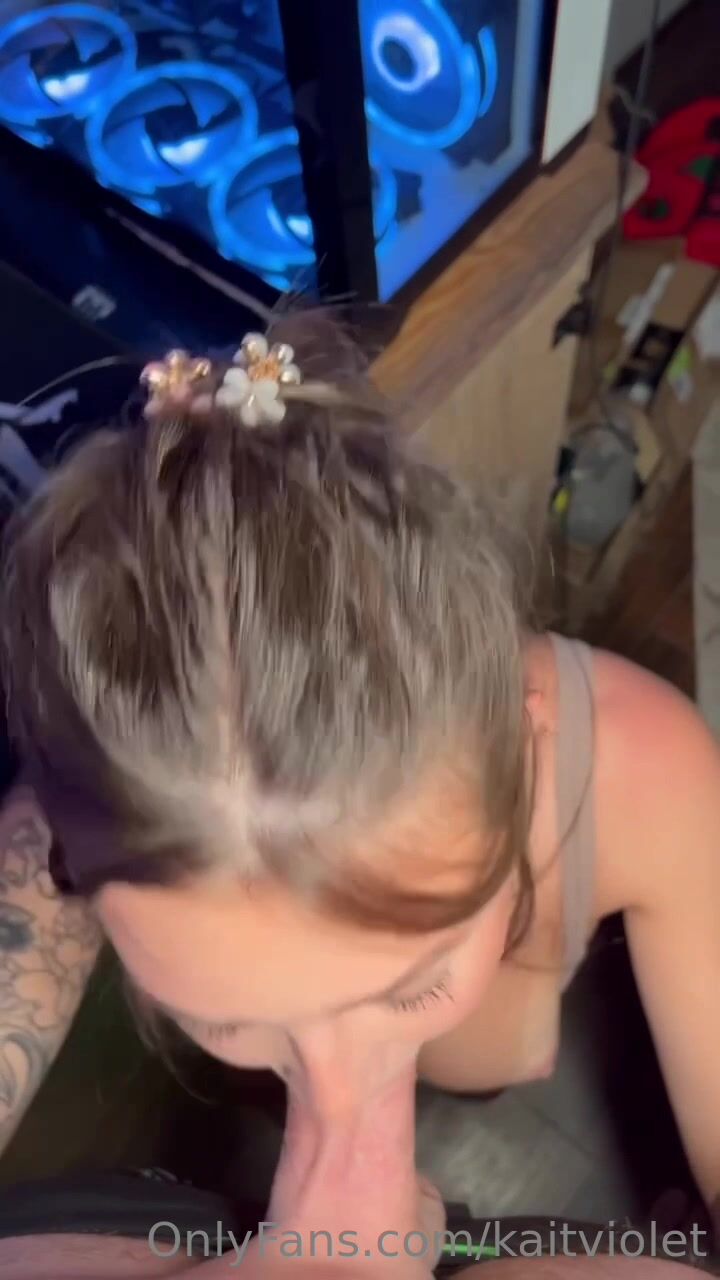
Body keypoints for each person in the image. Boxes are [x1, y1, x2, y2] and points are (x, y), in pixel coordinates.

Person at [0, 314, 719, 1277]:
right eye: (223, 1017)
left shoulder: (641, 765)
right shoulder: (100, 804)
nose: (337, 1125)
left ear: (525, 751)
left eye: (413, 985)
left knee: (482, 1059)